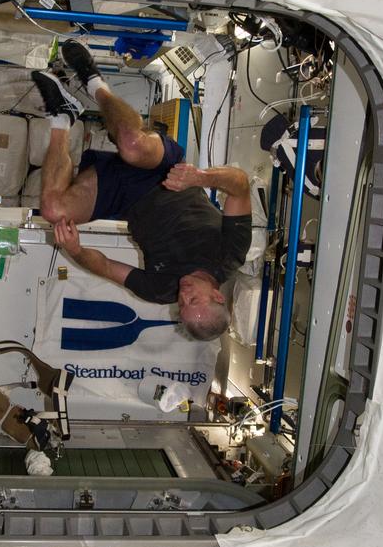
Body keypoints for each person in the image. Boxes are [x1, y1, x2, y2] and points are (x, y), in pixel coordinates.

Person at [32, 40, 252, 341]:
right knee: (132, 146)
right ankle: (93, 80)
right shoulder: (231, 254)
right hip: (165, 173)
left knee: (53, 211)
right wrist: (200, 178)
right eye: (194, 299)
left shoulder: (160, 291)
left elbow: (107, 267)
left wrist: (76, 251)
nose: (183, 295)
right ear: (217, 296)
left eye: (183, 305)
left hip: (124, 200)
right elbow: (240, 186)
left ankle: (62, 116)